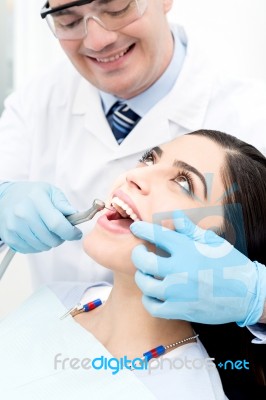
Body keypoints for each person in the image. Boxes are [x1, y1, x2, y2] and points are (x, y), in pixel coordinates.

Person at [0, 0, 266, 328]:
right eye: (68, 21)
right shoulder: (34, 101)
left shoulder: (255, 117)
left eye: (117, 8)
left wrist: (257, 296)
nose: (97, 40)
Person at [3, 128, 265, 399]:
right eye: (149, 159)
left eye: (184, 183)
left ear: (222, 249)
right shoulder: (60, 296)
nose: (135, 175)